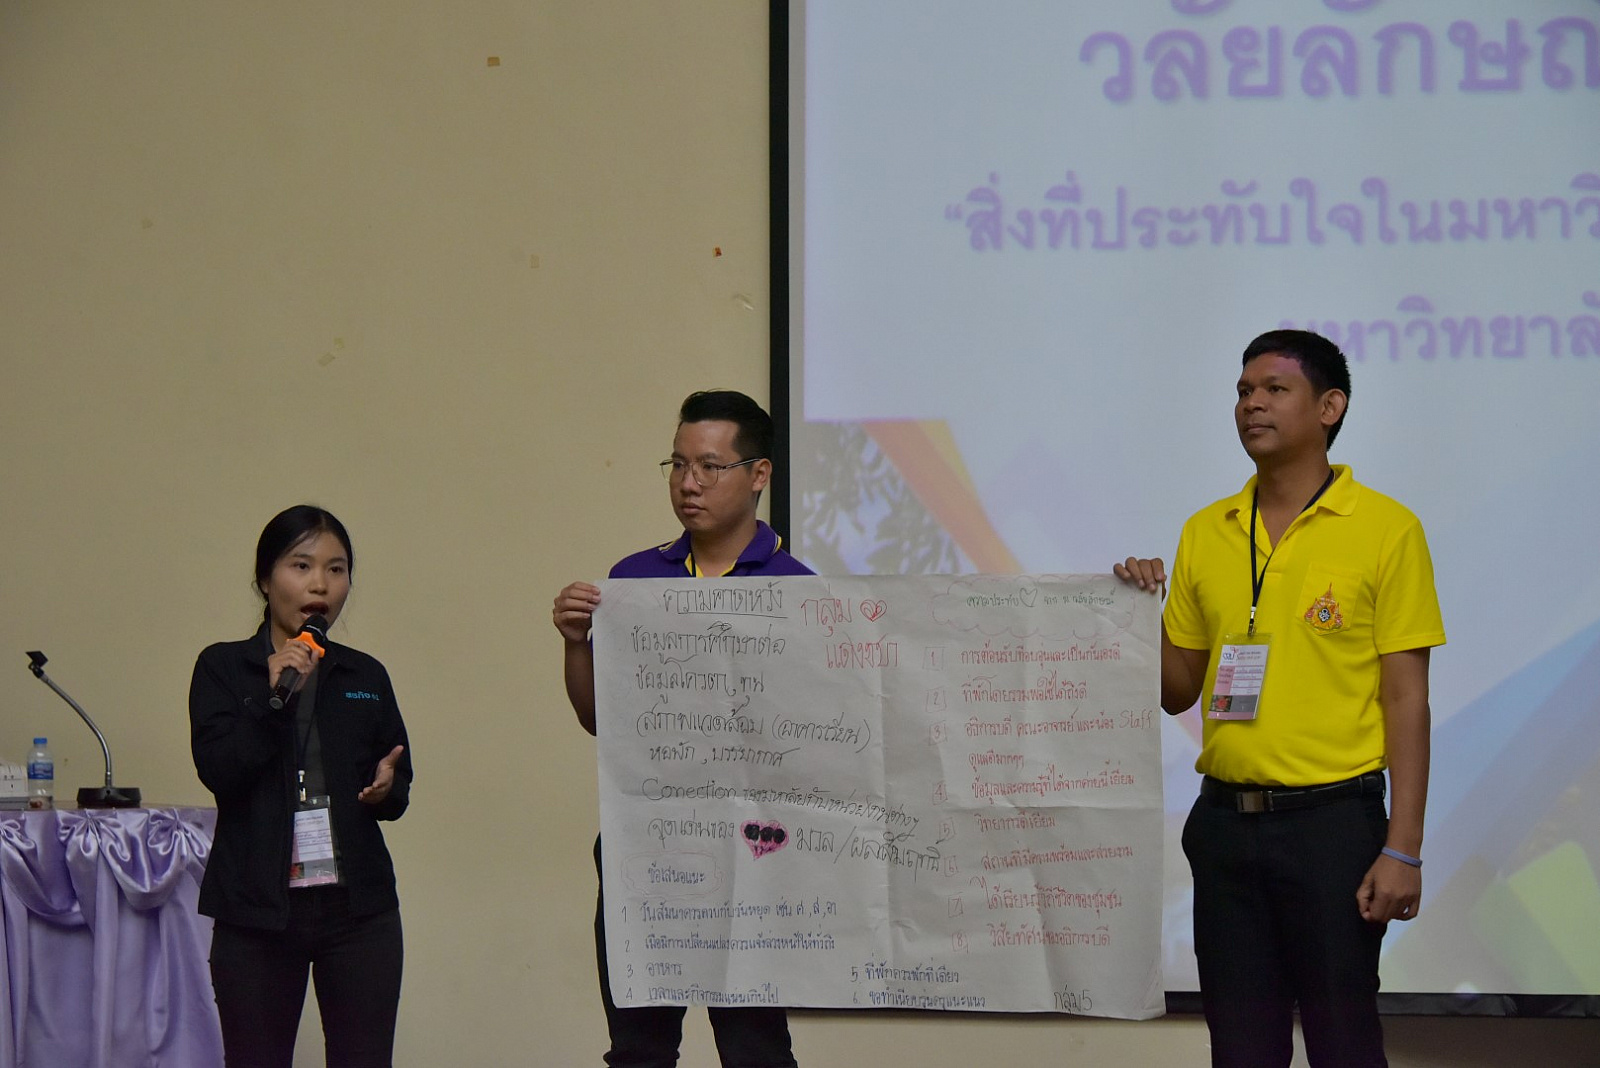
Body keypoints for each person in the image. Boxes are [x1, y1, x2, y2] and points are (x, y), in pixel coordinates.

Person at [1116, 329, 1445, 1068]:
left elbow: (1406, 698)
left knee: (1343, 1045)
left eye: (1273, 389)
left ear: (1330, 407)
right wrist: (1137, 614)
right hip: (1224, 827)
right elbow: (1177, 691)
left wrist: (1404, 848)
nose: (1251, 404)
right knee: (1241, 1051)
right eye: (1242, 391)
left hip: (1333, 826)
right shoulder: (1208, 529)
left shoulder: (1386, 529)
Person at [553, 390, 808, 1068]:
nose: (689, 483)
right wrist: (576, 643)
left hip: (753, 860)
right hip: (647, 849)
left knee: (756, 1049)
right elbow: (599, 720)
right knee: (639, 1048)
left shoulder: (799, 589)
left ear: (759, 474)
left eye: (710, 466)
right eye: (677, 464)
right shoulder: (634, 580)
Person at [190, 505, 412, 1068]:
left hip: (358, 913)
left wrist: (387, 788)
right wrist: (273, 701)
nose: (320, 585)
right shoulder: (223, 668)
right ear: (266, 579)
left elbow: (398, 780)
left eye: (336, 570)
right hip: (257, 913)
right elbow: (221, 772)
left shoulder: (365, 674)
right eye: (302, 565)